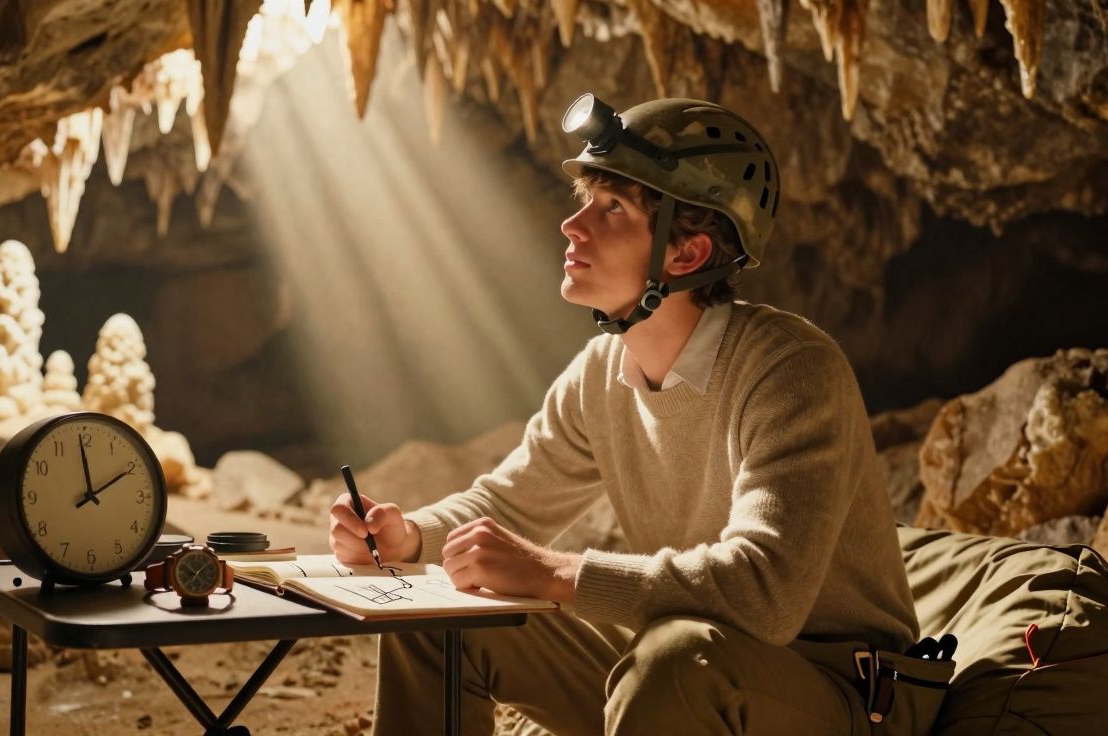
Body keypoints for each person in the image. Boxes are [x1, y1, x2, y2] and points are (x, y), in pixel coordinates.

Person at [328, 94, 920, 736]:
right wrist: (407, 537)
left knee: (672, 660)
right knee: (437, 623)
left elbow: (765, 595)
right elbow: (508, 504)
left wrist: (555, 572)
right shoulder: (600, 375)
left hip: (845, 694)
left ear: (686, 255)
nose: (571, 225)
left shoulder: (789, 370)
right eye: (585, 200)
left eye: (612, 208)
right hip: (688, 671)